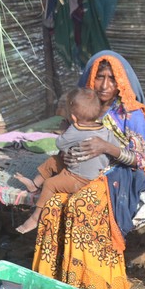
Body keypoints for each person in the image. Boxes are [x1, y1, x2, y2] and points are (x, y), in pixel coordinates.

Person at [31, 51, 145, 289]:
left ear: (121, 81)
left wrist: (106, 146)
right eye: (99, 77)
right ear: (90, 78)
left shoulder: (130, 112)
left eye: (112, 79)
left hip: (121, 175)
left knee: (83, 206)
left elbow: (140, 161)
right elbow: (68, 142)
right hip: (79, 173)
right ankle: (56, 288)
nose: (104, 85)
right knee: (52, 204)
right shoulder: (81, 105)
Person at [13, 87, 118, 234]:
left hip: (81, 179)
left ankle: (36, 217)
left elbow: (60, 144)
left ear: (73, 117)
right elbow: (116, 148)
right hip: (96, 175)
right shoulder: (105, 130)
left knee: (50, 184)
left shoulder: (75, 130)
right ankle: (34, 185)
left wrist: (64, 130)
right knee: (53, 161)